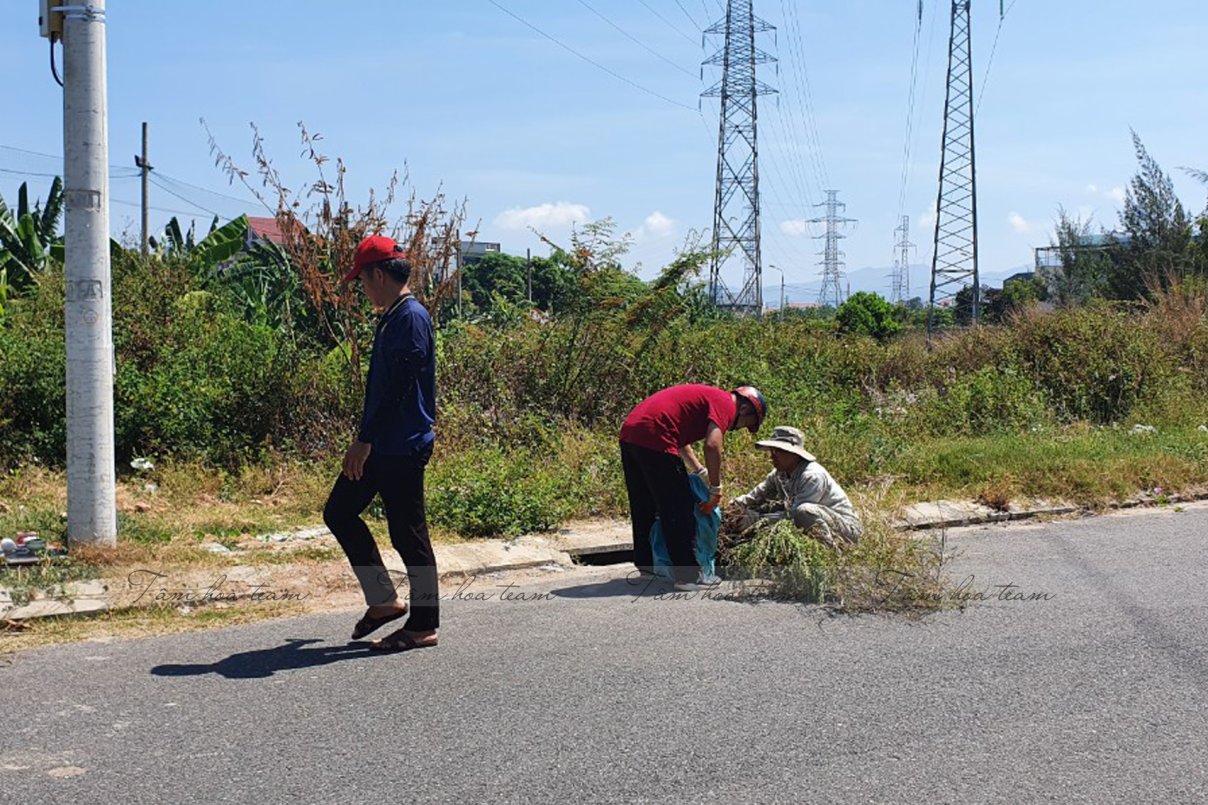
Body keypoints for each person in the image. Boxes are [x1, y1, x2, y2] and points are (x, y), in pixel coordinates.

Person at [322, 234, 439, 653]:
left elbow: (401, 385)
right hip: (382, 443)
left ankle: (424, 623)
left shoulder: (410, 317)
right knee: (339, 511)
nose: (362, 288)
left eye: (362, 280)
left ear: (377, 274)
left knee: (409, 534)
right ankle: (384, 600)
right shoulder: (393, 315)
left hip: (401, 444)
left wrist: (363, 440)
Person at [619, 384, 768, 590]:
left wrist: (699, 470)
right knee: (679, 507)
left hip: (631, 432)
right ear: (744, 409)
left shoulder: (706, 399)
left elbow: (680, 438)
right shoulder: (726, 404)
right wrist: (716, 487)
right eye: (745, 424)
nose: (738, 427)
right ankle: (688, 576)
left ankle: (647, 566)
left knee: (644, 504)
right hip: (656, 436)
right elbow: (712, 445)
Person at [730, 426, 862, 547]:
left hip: (847, 529)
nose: (772, 457)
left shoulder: (812, 475)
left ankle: (829, 552)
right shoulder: (779, 474)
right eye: (772, 451)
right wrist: (733, 509)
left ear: (793, 453)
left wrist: (757, 520)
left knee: (804, 511)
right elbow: (756, 495)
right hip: (813, 520)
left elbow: (794, 516)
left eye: (778, 452)